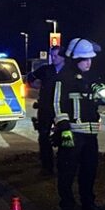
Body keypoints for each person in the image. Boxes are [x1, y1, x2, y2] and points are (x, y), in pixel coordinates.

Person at [53, 37, 105, 210]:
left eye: (90, 59)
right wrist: (64, 129)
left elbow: (104, 99)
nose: (89, 62)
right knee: (67, 171)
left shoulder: (93, 76)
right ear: (76, 59)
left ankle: (88, 203)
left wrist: (103, 95)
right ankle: (67, 206)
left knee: (89, 171)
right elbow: (57, 103)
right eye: (85, 59)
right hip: (72, 133)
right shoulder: (64, 78)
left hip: (90, 134)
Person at [28, 45, 65, 175]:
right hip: (45, 108)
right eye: (52, 56)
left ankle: (63, 165)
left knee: (64, 138)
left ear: (63, 57)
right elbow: (30, 78)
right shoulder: (45, 70)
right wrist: (38, 85)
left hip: (62, 110)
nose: (53, 58)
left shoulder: (68, 72)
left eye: (56, 56)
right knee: (43, 137)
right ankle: (46, 166)